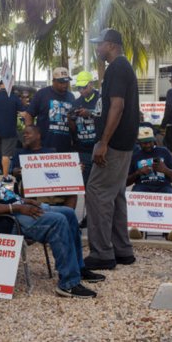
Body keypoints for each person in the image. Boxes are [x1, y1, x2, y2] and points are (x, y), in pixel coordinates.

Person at [0, 131, 104, 298]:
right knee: (58, 221)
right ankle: (68, 284)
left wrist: (24, 201)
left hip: (16, 211)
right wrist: (17, 208)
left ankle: (78, 268)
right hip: (4, 222)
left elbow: (2, 194)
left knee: (68, 213)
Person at [84, 28, 139, 271]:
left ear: (111, 45)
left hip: (115, 143)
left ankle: (102, 253)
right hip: (125, 141)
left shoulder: (116, 67)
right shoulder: (125, 67)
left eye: (100, 44)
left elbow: (117, 106)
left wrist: (103, 142)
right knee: (115, 194)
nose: (97, 49)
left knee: (96, 191)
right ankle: (121, 249)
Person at [126, 126, 172, 242]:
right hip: (143, 186)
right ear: (139, 143)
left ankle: (170, 231)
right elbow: (126, 182)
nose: (148, 145)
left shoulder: (163, 152)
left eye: (150, 142)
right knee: (136, 194)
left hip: (163, 186)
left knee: (170, 195)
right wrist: (138, 172)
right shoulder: (135, 156)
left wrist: (164, 169)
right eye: (144, 143)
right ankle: (137, 229)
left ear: (154, 140)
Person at [11, 125, 76, 208]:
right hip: (32, 187)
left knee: (73, 190)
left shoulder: (51, 152)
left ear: (38, 136)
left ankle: (68, 215)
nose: (24, 135)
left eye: (28, 133)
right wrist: (16, 171)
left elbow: (61, 170)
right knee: (26, 182)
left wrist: (75, 169)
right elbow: (13, 171)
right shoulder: (20, 153)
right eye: (24, 134)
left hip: (51, 184)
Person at [70, 71, 99, 228]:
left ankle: (98, 216)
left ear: (91, 85)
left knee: (99, 186)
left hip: (98, 148)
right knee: (86, 186)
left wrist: (90, 113)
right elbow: (73, 129)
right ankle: (88, 216)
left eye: (83, 87)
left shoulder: (100, 99)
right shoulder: (77, 101)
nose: (81, 91)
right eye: (79, 88)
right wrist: (71, 118)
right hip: (82, 149)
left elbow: (107, 116)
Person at [0, 81, 29, 179]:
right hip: (9, 131)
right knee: (6, 155)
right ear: (9, 85)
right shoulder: (14, 97)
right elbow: (23, 114)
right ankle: (5, 176)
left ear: (0, 85)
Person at [26, 67, 76, 153]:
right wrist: (30, 134)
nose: (65, 84)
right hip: (44, 146)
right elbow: (29, 115)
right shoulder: (42, 94)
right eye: (61, 82)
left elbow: (74, 123)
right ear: (53, 81)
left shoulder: (71, 97)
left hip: (65, 148)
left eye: (66, 81)